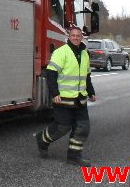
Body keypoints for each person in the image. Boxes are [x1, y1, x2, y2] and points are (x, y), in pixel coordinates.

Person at [35, 26, 96, 166]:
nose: (75, 38)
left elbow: (86, 76)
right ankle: (42, 140)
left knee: (83, 127)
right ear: (69, 37)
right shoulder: (61, 52)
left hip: (80, 99)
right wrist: (54, 93)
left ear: (81, 37)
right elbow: (51, 74)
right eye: (73, 35)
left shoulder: (85, 53)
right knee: (62, 127)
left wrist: (91, 92)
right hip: (63, 99)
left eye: (78, 36)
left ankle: (74, 156)